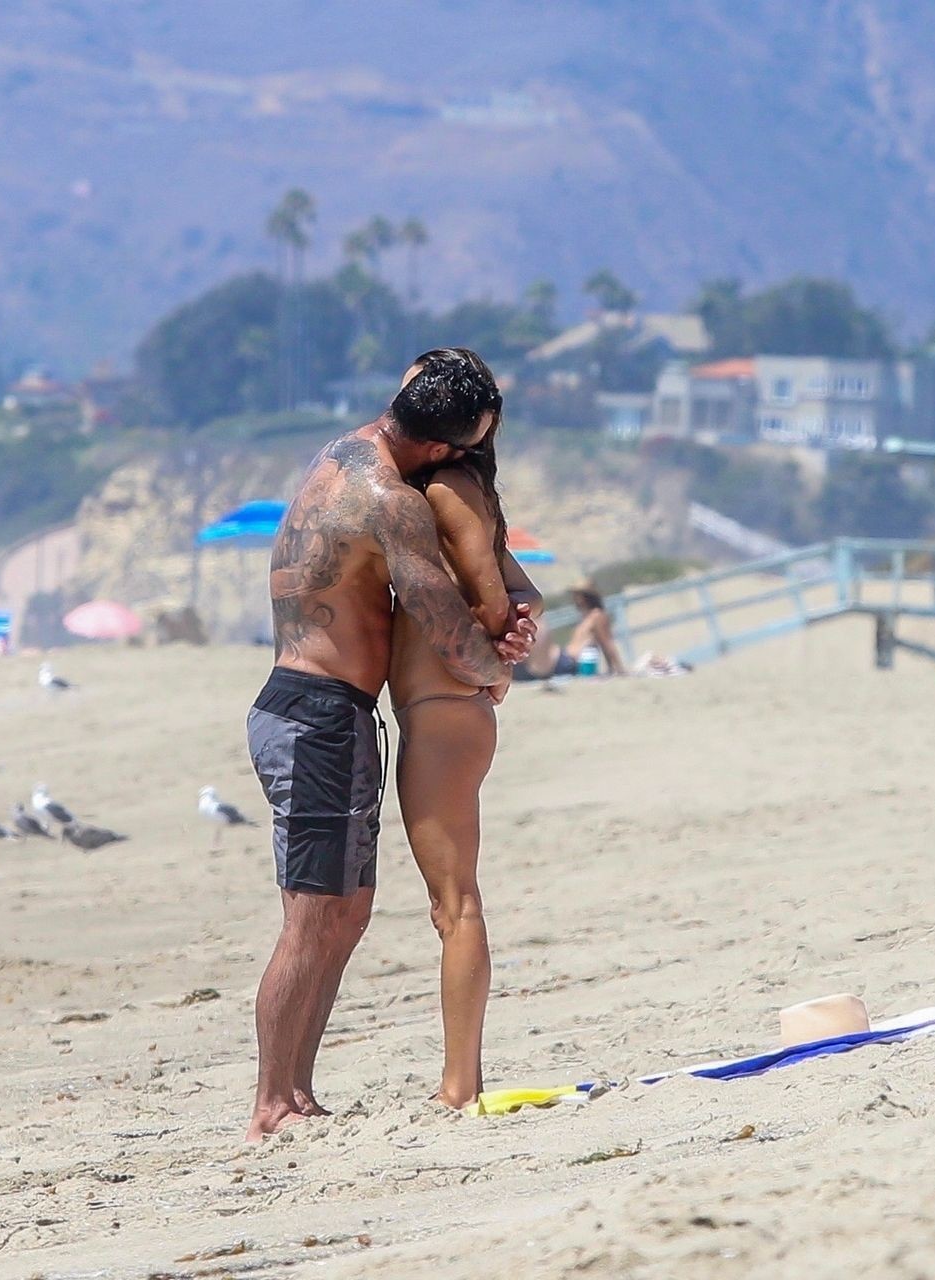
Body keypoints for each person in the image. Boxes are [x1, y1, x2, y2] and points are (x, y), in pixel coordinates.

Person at [244, 348, 534, 1142]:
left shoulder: (342, 454)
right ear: (438, 446)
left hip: (314, 711)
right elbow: (447, 626)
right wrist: (497, 672)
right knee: (314, 920)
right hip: (318, 716)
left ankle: (297, 1094)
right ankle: (273, 1101)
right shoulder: (392, 502)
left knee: (342, 915)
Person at [387, 358, 543, 1111]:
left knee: (455, 906)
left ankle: (459, 1087)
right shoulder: (466, 489)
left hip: (445, 707)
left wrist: (496, 664)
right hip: (451, 709)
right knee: (454, 904)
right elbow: (525, 592)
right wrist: (514, 632)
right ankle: (460, 1080)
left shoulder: (445, 490)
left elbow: (489, 589)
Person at [521, 585, 628, 679]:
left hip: (571, 662)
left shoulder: (597, 616)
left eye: (577, 596)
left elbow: (607, 643)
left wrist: (618, 668)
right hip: (568, 660)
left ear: (585, 597)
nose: (575, 599)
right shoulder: (588, 617)